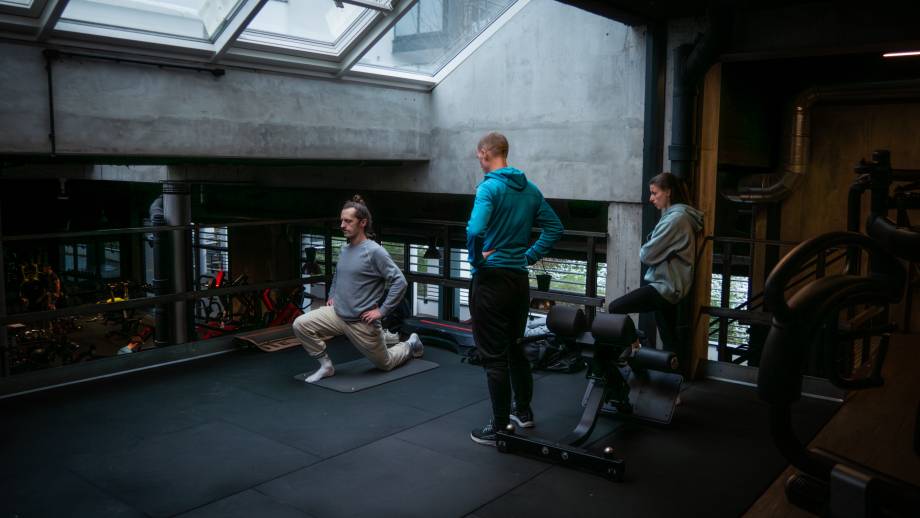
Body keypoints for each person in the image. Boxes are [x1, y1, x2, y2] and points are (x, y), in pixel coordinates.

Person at [466, 132, 564, 445]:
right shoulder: (531, 189)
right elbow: (555, 227)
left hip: (492, 280)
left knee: (494, 357)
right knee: (515, 347)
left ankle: (498, 428)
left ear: (484, 153)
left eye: (477, 155)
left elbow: (474, 229)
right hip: (518, 282)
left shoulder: (489, 187)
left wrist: (477, 262)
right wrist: (529, 256)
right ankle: (523, 412)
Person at [292, 195, 424, 383]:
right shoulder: (345, 249)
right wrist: (332, 295)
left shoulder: (375, 252)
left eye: (348, 221)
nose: (343, 225)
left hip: (361, 322)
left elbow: (399, 281)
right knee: (300, 324)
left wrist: (382, 311)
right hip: (337, 314)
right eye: (341, 221)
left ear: (362, 223)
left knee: (385, 363)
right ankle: (326, 366)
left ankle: (411, 344)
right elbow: (338, 275)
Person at [607, 172, 703, 366]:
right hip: (671, 287)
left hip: (664, 287)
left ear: (668, 192)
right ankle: (676, 389)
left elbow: (646, 255)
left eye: (654, 193)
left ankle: (635, 345)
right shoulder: (677, 217)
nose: (651, 198)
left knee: (615, 308)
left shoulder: (675, 220)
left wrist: (648, 248)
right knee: (670, 343)